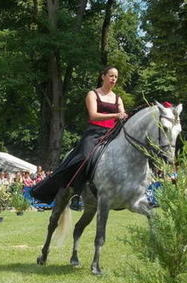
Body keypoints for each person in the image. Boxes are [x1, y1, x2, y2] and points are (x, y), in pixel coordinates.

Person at [32, 66, 128, 203]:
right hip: (94, 132)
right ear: (103, 76)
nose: (114, 79)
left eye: (116, 77)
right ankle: (76, 194)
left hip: (112, 134)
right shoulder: (92, 94)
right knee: (83, 157)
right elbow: (93, 116)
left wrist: (123, 116)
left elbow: (122, 115)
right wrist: (116, 115)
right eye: (111, 76)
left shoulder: (118, 99)